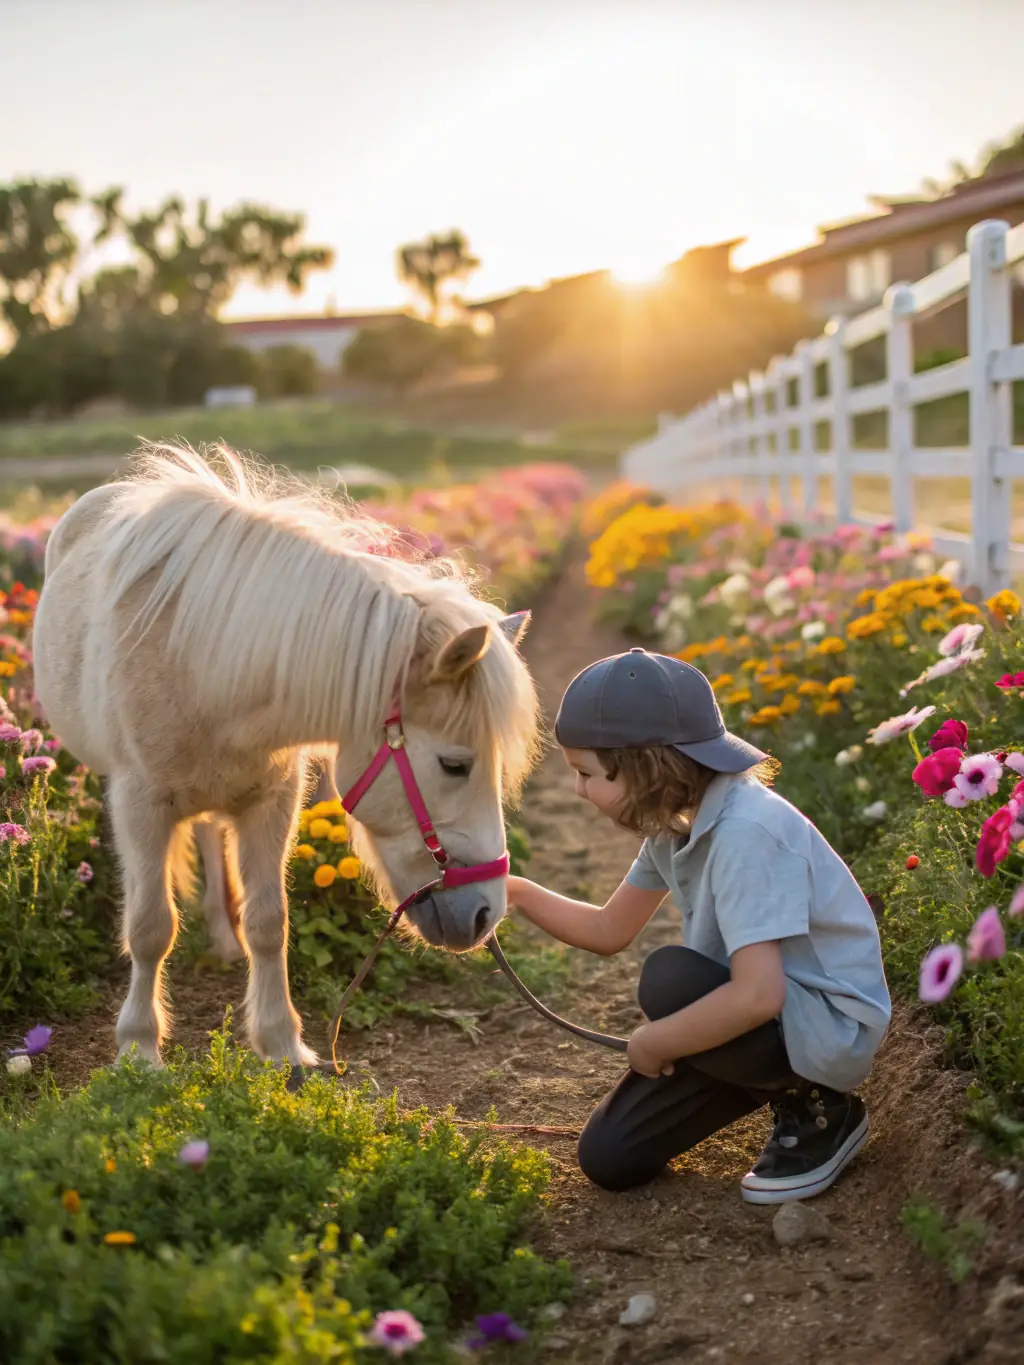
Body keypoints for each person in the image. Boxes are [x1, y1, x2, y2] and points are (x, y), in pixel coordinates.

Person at [507, 647, 890, 1204]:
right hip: (761, 1021)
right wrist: (514, 892)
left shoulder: (747, 832)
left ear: (643, 765)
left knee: (670, 981)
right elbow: (610, 930)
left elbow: (760, 994)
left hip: (824, 1029)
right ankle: (754, 1076)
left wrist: (656, 1038)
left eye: (585, 773)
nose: (577, 791)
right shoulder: (671, 824)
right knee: (610, 1157)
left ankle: (820, 1106)